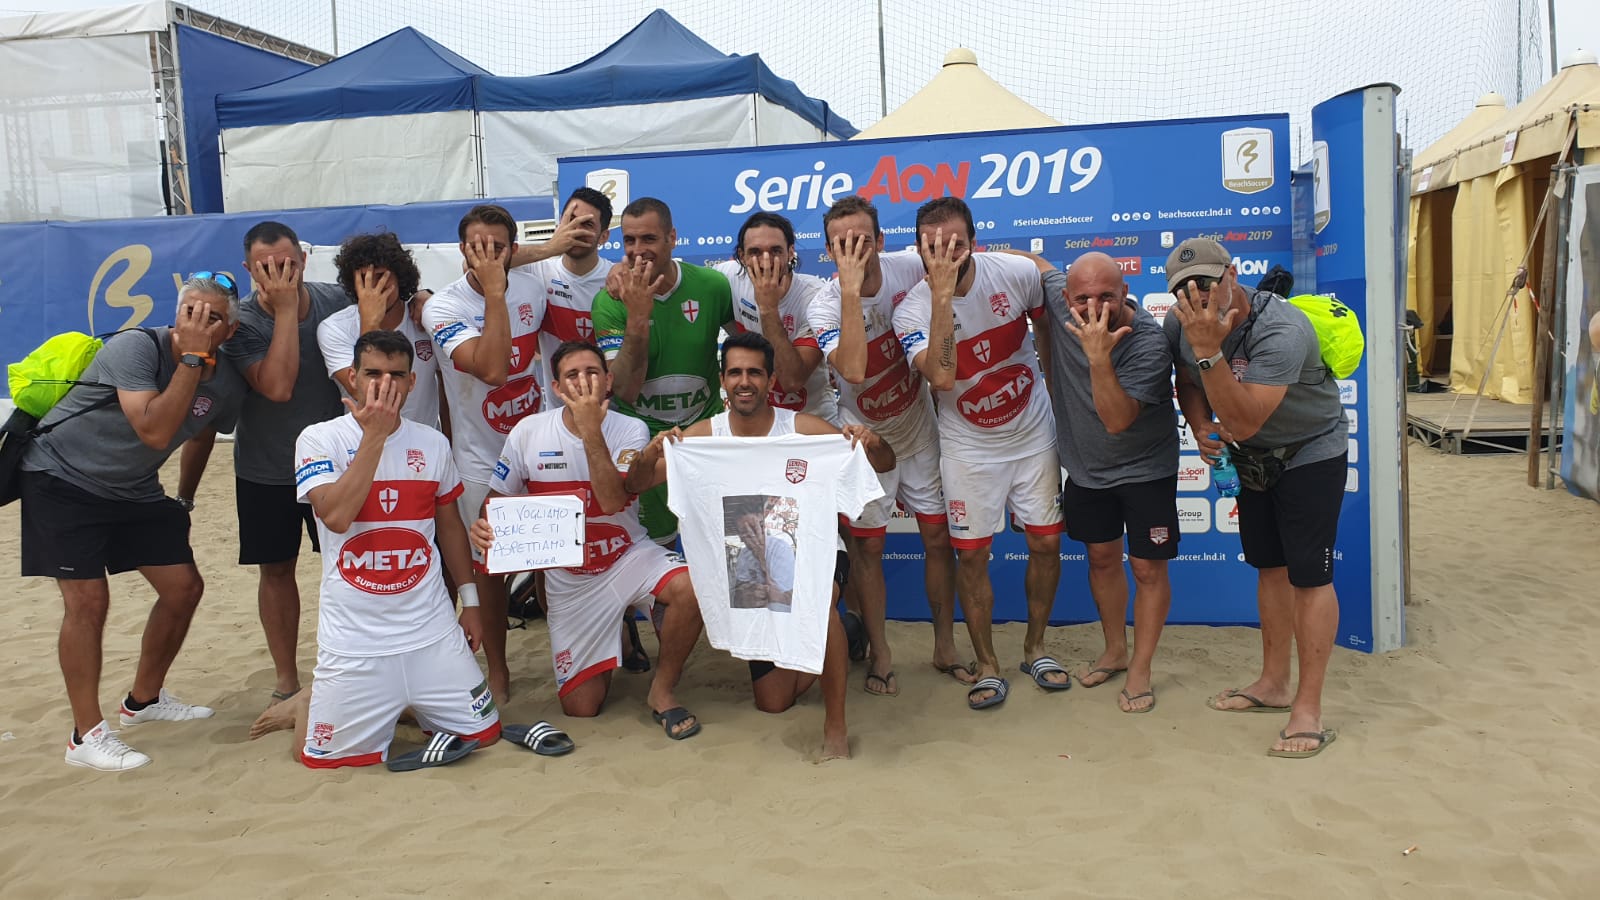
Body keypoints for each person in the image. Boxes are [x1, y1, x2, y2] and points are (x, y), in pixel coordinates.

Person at [630, 331, 895, 760]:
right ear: (722, 380)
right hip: (747, 569)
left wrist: (873, 443)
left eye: (755, 372)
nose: (745, 381)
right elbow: (636, 484)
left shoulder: (805, 431)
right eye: (735, 372)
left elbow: (884, 464)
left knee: (817, 604)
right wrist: (650, 453)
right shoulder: (700, 440)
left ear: (771, 381)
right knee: (774, 702)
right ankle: (852, 630)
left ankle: (836, 726)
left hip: (811, 556)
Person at [20, 275, 247, 770]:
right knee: (88, 601)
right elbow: (155, 428)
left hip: (134, 488)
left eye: (211, 318)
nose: (197, 323)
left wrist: (184, 499)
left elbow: (202, 432)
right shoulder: (136, 347)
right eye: (190, 311)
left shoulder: (226, 378)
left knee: (183, 588)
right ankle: (85, 736)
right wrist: (190, 357)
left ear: (228, 330)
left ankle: (143, 702)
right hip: (62, 477)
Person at [249, 330, 504, 768]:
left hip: (431, 632)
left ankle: (401, 698)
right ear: (351, 377)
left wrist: (471, 601)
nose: (384, 385)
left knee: (485, 736)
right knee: (319, 759)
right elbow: (335, 517)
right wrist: (374, 437)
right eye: (372, 373)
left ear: (412, 382)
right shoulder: (319, 439)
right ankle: (307, 702)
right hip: (356, 641)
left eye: (396, 376)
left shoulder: (432, 443)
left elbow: (449, 527)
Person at [1164, 237, 1348, 758]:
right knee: (1269, 567)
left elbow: (1243, 418)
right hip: (1253, 457)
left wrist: (1207, 350)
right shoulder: (1180, 322)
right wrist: (1200, 426)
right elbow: (1186, 382)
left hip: (1309, 448)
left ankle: (1307, 708)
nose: (1196, 295)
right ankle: (1273, 683)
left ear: (1232, 273)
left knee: (1311, 576)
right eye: (1183, 289)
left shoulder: (1282, 328)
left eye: (1205, 281)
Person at [468, 340, 705, 740]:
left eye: (592, 372)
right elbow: (495, 505)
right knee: (582, 708)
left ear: (609, 380)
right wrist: (483, 526)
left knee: (689, 587)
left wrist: (591, 429)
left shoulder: (630, 427)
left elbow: (613, 500)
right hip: (572, 576)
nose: (583, 382)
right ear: (557, 388)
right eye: (572, 375)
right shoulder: (528, 432)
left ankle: (661, 690)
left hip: (626, 554)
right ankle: (619, 636)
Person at [892, 197, 1064, 711]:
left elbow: (1049, 319)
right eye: (933, 246)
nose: (945, 255)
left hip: (1034, 436)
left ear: (974, 242)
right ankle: (987, 664)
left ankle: (1036, 650)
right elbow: (942, 377)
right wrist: (942, 299)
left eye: (956, 244)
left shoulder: (1014, 273)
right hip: (968, 447)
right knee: (971, 557)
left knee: (1047, 548)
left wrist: (1053, 387)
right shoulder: (912, 309)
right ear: (918, 247)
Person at [179, 222, 348, 713]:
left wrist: (418, 296)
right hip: (266, 468)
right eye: (267, 266)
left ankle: (351, 663)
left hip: (338, 468)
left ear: (303, 260)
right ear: (249, 269)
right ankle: (286, 678)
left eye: (287, 264)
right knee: (276, 570)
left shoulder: (337, 300)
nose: (279, 274)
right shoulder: (241, 324)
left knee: (347, 564)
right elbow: (277, 386)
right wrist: (288, 311)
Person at [811, 195, 966, 696]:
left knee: (939, 542)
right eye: (841, 243)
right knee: (869, 551)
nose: (852, 249)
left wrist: (1043, 265)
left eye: (861, 239)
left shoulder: (907, 268)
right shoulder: (825, 303)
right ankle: (881, 653)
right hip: (865, 440)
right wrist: (852, 293)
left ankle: (944, 646)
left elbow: (979, 263)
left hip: (920, 430)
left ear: (880, 240)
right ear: (829, 251)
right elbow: (853, 370)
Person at [1027, 251, 1180, 713]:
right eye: (1083, 298)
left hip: (1145, 470)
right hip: (1087, 470)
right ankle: (1115, 650)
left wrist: (1097, 357)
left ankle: (1141, 669)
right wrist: (964, 254)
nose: (1094, 308)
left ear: (1126, 293)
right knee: (1100, 558)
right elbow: (1036, 263)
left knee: (1148, 569)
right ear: (1066, 297)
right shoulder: (1062, 297)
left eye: (1107, 297)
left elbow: (1116, 420)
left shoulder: (1149, 345)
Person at [422, 204, 546, 701]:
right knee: (489, 568)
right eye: (477, 246)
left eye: (498, 247)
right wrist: (496, 293)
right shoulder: (442, 308)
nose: (488, 255)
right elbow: (493, 370)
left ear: (514, 250)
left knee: (550, 558)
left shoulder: (534, 289)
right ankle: (498, 668)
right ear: (461, 251)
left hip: (537, 447)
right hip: (478, 458)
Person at [591, 197, 734, 544]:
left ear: (672, 238)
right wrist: (638, 317)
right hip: (645, 443)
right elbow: (623, 388)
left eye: (649, 239)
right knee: (659, 546)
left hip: (703, 435)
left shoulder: (712, 285)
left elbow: (746, 348)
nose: (638, 251)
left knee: (723, 542)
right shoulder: (609, 302)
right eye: (629, 240)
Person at [715, 212, 837, 423]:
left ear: (791, 253)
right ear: (741, 256)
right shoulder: (726, 279)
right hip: (753, 422)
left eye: (775, 251)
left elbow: (791, 380)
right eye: (754, 252)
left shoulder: (816, 297)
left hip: (810, 420)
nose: (765, 261)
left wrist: (768, 308)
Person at [318, 232, 444, 431]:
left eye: (382, 278)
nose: (374, 288)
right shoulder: (334, 327)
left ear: (400, 278)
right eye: (364, 279)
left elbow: (448, 387)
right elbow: (362, 392)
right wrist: (370, 320)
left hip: (423, 446)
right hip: (362, 443)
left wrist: (449, 441)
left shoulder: (426, 319)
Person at [511, 187, 615, 406]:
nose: (575, 230)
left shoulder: (617, 278)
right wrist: (550, 247)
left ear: (604, 236)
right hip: (558, 416)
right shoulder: (539, 270)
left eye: (586, 225)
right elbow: (476, 265)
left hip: (611, 413)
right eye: (570, 221)